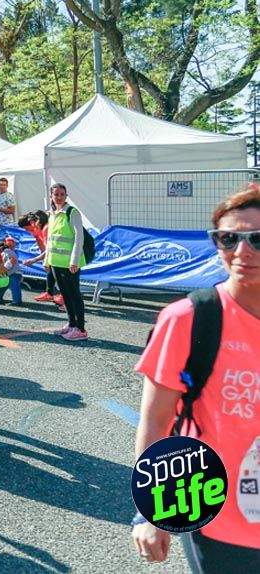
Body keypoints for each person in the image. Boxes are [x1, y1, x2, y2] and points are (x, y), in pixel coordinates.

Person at [132, 186, 260, 571]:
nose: (242, 252)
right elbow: (156, 421)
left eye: (257, 239)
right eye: (228, 238)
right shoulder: (188, 318)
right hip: (217, 515)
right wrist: (150, 513)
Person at [26, 184, 88, 341]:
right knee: (65, 295)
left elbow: (78, 237)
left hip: (69, 264)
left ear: (66, 196)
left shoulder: (72, 212)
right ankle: (71, 324)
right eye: (56, 194)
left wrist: (74, 260)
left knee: (74, 295)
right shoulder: (52, 214)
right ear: (51, 196)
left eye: (62, 194)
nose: (59, 197)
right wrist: (47, 261)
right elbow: (51, 242)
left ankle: (80, 329)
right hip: (55, 262)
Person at [19, 211, 63, 307]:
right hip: (56, 254)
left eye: (27, 228)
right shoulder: (37, 230)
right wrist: (45, 260)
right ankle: (51, 293)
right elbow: (41, 245)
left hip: (62, 254)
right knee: (52, 271)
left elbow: (48, 249)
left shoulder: (46, 228)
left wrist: (35, 260)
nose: (28, 231)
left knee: (61, 275)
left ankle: (64, 298)